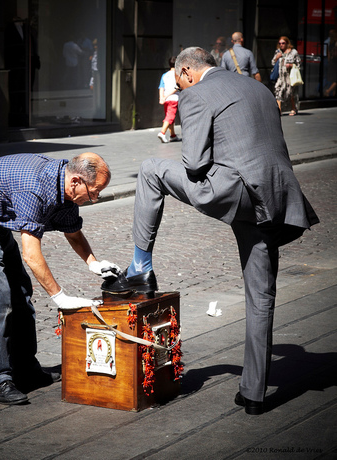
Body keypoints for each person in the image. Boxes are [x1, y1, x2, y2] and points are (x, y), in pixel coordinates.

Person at [102, 47, 319, 415]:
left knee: (152, 169)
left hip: (235, 189)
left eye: (177, 77)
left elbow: (195, 162)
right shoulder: (259, 87)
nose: (178, 83)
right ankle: (254, 394)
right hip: (275, 196)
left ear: (186, 70)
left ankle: (140, 267)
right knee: (261, 295)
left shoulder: (195, 93)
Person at [0, 152, 120, 405]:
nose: (95, 198)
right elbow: (32, 255)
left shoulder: (64, 187)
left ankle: (26, 370)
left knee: (21, 291)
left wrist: (94, 262)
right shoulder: (35, 188)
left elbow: (73, 232)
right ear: (76, 182)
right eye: (95, 192)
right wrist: (60, 297)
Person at [271, 36, 301, 115]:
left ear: (287, 43)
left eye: (283, 43)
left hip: (290, 76)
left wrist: (291, 65)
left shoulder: (293, 52)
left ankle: (294, 108)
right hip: (280, 77)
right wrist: (277, 57)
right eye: (280, 43)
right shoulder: (278, 52)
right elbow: (273, 63)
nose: (281, 45)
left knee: (291, 93)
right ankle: (279, 110)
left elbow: (299, 64)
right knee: (278, 91)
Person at [157, 56, 181, 143]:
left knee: (169, 116)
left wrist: (162, 97)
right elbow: (177, 87)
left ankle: (173, 135)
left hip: (166, 100)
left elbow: (161, 87)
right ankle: (162, 132)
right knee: (170, 117)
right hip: (174, 98)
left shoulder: (165, 75)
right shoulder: (178, 75)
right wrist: (166, 95)